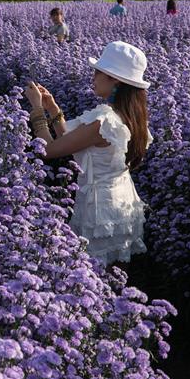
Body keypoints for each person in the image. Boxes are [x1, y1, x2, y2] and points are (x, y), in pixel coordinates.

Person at [24, 40, 152, 265]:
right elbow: (70, 140)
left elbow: (49, 150)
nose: (93, 77)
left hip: (100, 211)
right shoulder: (130, 116)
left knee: (92, 271)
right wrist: (52, 107)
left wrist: (36, 109)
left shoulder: (105, 121)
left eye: (98, 72)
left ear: (115, 81)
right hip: (121, 202)